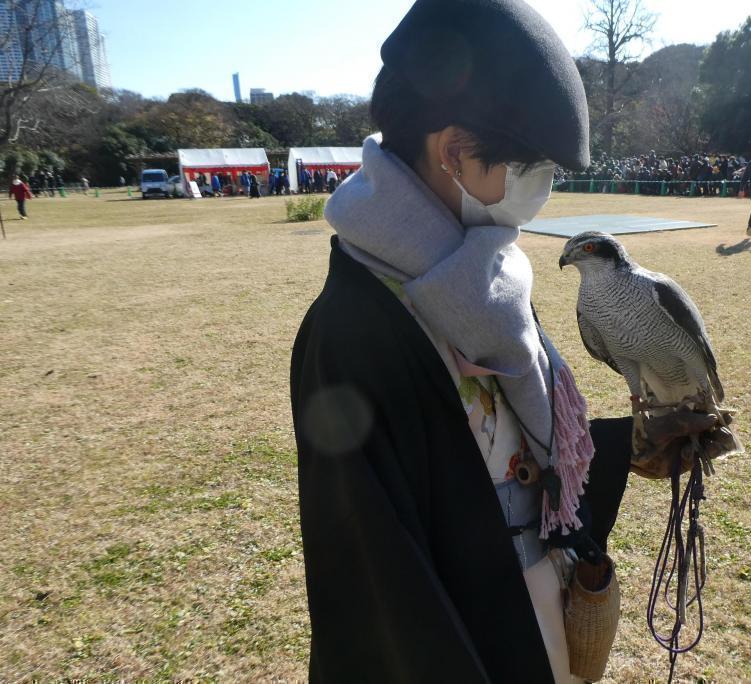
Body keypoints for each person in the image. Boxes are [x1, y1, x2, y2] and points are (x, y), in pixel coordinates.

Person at [289, 1, 719, 681]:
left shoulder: (480, 271)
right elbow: (381, 596)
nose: (542, 190)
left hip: (537, 629)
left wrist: (627, 448)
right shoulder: (351, 332)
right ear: (455, 150)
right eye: (533, 168)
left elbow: (503, 451)